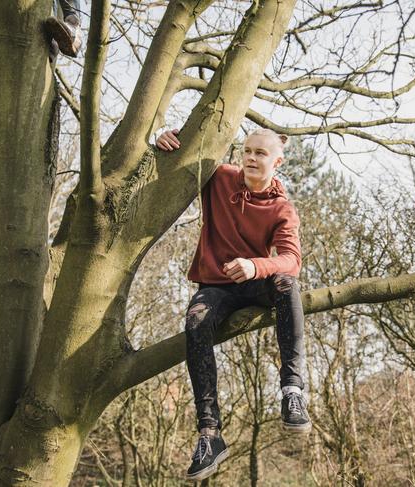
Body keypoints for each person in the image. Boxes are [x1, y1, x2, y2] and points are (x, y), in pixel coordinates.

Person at [156, 128, 312, 482]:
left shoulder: (282, 208)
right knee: (195, 321)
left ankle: (292, 392)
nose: (251, 158)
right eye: (247, 151)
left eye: (260, 153)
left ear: (277, 161)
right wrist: (166, 139)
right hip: (215, 287)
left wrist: (256, 265)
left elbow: (291, 260)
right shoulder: (220, 178)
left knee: (287, 284)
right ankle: (210, 434)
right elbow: (188, 154)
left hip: (255, 282)